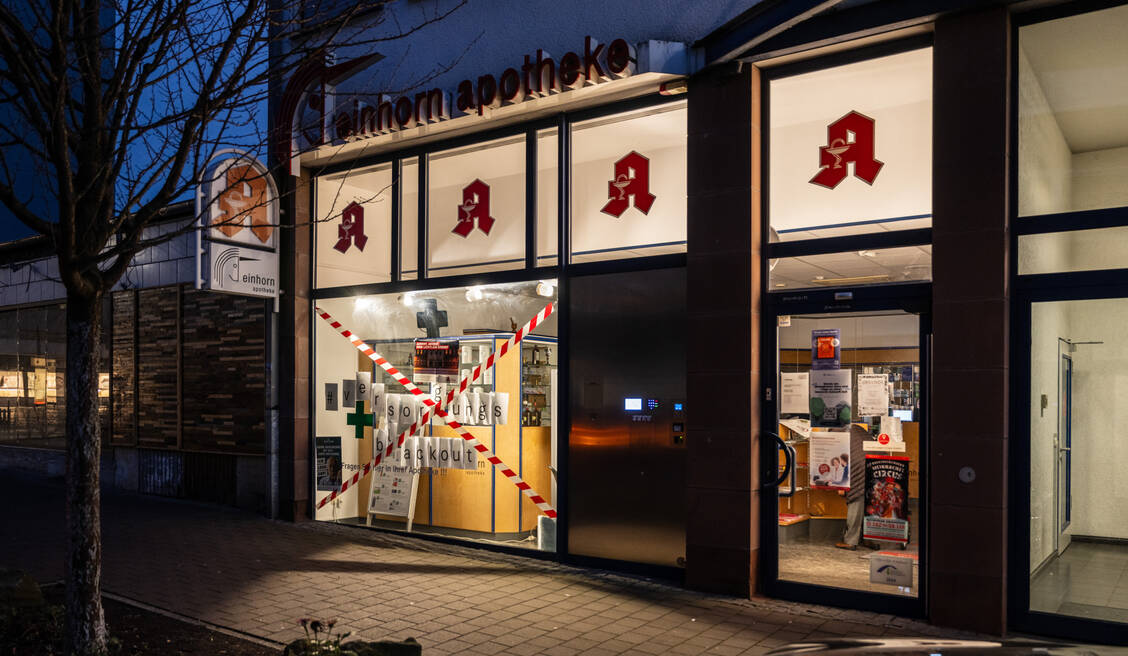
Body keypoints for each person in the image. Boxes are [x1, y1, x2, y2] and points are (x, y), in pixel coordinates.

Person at [836, 424, 868, 550]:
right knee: (871, 506)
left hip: (858, 469)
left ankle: (850, 541)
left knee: (856, 502)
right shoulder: (857, 428)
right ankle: (869, 539)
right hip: (875, 463)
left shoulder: (837, 432)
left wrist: (841, 486)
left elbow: (840, 458)